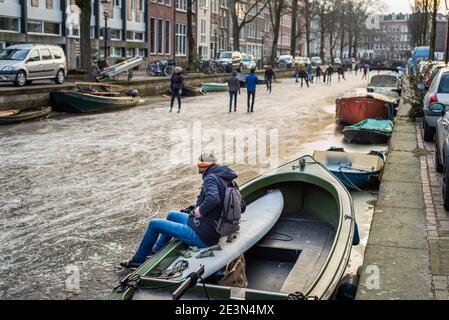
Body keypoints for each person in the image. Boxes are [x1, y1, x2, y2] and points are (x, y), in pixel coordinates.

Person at [120, 153, 246, 269]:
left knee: (154, 224)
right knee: (172, 215)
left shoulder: (210, 178)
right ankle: (156, 250)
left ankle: (138, 260)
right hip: (211, 230)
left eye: (200, 164)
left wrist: (199, 211)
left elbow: (213, 199)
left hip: (202, 236)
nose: (198, 166)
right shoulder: (228, 180)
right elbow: (242, 206)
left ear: (205, 166)